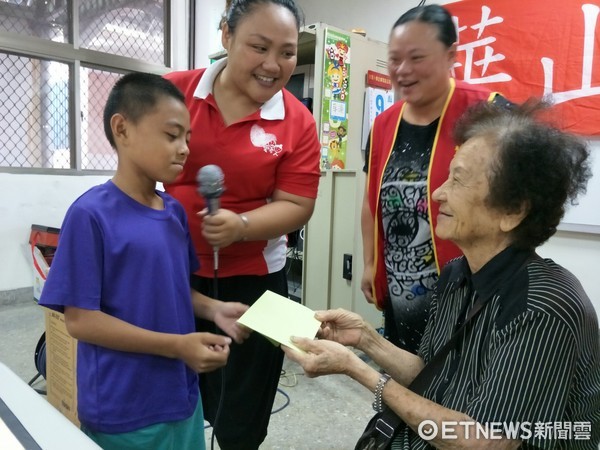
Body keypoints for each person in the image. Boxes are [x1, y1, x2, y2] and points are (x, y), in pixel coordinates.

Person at [286, 100, 600, 449]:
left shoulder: (543, 308)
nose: (437, 193)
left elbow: (487, 442)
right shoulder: (455, 275)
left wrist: (357, 369)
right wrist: (363, 339)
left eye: (458, 181)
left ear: (512, 211)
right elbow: (433, 374)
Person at [38, 72, 249, 450]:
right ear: (122, 129)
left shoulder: (173, 211)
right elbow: (80, 320)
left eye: (187, 137)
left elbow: (170, 289)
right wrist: (177, 345)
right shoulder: (90, 215)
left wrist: (213, 308)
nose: (184, 148)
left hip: (181, 398)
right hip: (125, 410)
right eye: (171, 136)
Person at [163, 0, 321, 448]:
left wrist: (243, 225)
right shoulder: (173, 94)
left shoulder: (298, 122)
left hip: (257, 281)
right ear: (226, 35)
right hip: (175, 273)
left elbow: (297, 203)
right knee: (174, 389)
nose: (273, 65)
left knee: (243, 405)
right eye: (259, 46)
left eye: (287, 52)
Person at [361, 4, 510, 353]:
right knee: (405, 384)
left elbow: (521, 203)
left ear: (451, 55)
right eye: (395, 59)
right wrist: (369, 263)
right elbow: (372, 202)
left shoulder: (489, 111)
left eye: (416, 58)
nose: (403, 70)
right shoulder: (384, 124)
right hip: (401, 292)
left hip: (471, 299)